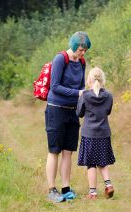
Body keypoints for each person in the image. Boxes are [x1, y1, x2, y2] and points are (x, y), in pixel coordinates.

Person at [45, 31, 91, 202]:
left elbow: (81, 87)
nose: (82, 53)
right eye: (80, 49)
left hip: (72, 111)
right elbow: (54, 86)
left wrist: (82, 101)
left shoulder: (82, 62)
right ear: (73, 46)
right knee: (54, 150)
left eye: (85, 50)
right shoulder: (60, 59)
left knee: (68, 152)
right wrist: (78, 93)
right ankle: (51, 190)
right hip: (56, 109)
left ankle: (66, 189)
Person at [76, 67, 115, 200]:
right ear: (102, 80)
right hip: (104, 133)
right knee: (102, 161)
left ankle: (92, 193)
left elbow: (79, 113)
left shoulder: (85, 95)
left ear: (89, 80)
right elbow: (108, 111)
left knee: (91, 163)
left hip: (89, 135)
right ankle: (108, 185)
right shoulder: (108, 95)